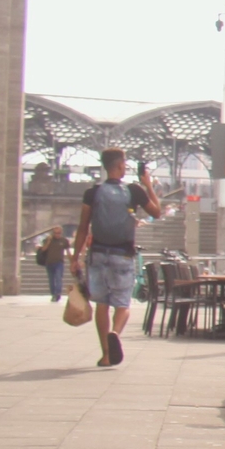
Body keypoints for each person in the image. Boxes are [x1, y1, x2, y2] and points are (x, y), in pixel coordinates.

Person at [71, 149, 167, 366]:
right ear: (121, 166)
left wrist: (75, 257)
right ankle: (115, 332)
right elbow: (157, 212)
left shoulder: (92, 193)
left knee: (102, 304)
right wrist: (148, 185)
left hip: (97, 255)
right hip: (123, 255)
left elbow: (83, 227)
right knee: (122, 304)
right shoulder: (134, 191)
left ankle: (106, 355)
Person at [33, 225, 67, 303]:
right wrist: (48, 241)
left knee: (58, 278)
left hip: (59, 262)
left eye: (59, 233)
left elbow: (68, 251)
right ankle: (53, 294)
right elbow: (43, 249)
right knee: (51, 280)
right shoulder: (47, 240)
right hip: (49, 262)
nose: (57, 235)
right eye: (55, 233)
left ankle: (58, 293)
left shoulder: (63, 240)